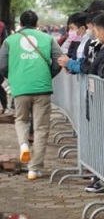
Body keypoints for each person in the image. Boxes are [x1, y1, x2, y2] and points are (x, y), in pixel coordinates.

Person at [0, 10, 62, 180]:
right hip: (42, 88)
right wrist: (48, 75)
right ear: (36, 23)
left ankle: (24, 145)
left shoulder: (10, 40)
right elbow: (59, 60)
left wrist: (13, 77)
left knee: (21, 120)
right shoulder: (48, 38)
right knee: (41, 128)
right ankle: (34, 169)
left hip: (20, 88)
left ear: (20, 24)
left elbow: (2, 65)